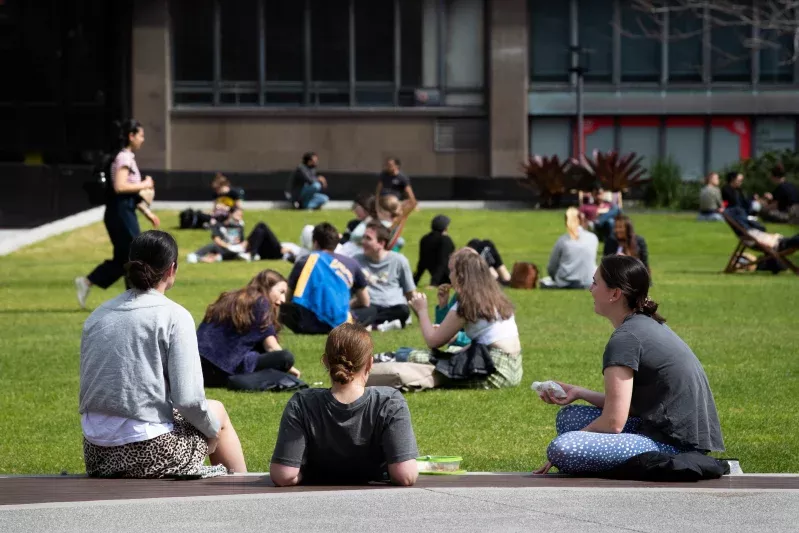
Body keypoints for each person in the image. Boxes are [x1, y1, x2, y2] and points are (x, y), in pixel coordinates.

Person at [533, 255, 724, 475]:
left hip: (675, 447)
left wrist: (576, 440)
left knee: (563, 447)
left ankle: (627, 465)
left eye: (595, 283)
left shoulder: (625, 339)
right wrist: (579, 392)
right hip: (669, 433)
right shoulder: (644, 324)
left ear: (615, 294)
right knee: (568, 417)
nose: (590, 289)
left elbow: (613, 422)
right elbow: (629, 407)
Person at [79, 230, 247, 478]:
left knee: (194, 417)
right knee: (216, 412)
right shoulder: (174, 316)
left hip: (97, 453)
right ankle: (242, 494)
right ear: (172, 269)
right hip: (148, 449)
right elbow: (189, 399)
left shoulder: (97, 316)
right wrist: (211, 432)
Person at [270, 323, 419, 486]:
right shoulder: (389, 402)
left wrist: (307, 477)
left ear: (325, 361)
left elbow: (284, 474)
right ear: (370, 363)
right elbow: (405, 475)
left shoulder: (302, 403)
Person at [404, 248, 523, 389]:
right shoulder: (495, 295)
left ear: (461, 275)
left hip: (494, 370)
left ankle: (384, 361)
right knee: (451, 352)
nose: (449, 276)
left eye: (451, 270)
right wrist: (443, 305)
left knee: (413, 355)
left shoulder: (468, 301)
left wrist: (421, 310)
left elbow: (433, 341)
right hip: (514, 369)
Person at [75, 119, 159, 308]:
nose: (143, 139)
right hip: (119, 212)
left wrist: (147, 213)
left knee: (124, 258)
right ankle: (135, 297)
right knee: (136, 254)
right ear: (131, 136)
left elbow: (130, 194)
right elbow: (120, 187)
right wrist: (145, 184)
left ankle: (88, 282)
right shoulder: (124, 158)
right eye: (141, 135)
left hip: (124, 210)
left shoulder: (128, 157)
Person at [197, 269, 301, 388]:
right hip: (223, 369)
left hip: (198, 367)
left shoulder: (229, 298)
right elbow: (271, 347)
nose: (283, 300)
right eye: (281, 292)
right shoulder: (261, 302)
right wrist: (289, 367)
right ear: (267, 287)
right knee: (285, 357)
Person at [280, 222, 374, 334]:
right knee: (372, 310)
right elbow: (365, 301)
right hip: (341, 323)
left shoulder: (304, 261)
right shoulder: (352, 263)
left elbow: (288, 297)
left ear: (315, 243)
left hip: (307, 324)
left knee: (282, 308)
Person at [355, 222, 417, 331]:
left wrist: (421, 316)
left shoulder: (399, 260)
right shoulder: (356, 260)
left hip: (392, 307)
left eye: (368, 238)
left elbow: (410, 292)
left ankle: (370, 325)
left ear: (381, 243)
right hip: (369, 306)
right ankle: (379, 326)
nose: (363, 242)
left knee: (403, 311)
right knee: (359, 313)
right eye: (363, 237)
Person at [540, 207, 598, 289]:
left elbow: (551, 267)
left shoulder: (562, 240)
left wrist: (554, 277)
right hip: (588, 281)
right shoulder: (593, 238)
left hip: (565, 282)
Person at [414, 214, 455, 287]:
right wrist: (433, 283)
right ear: (445, 228)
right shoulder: (445, 240)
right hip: (449, 278)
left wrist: (415, 280)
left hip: (438, 277)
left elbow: (422, 262)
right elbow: (443, 262)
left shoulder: (425, 239)